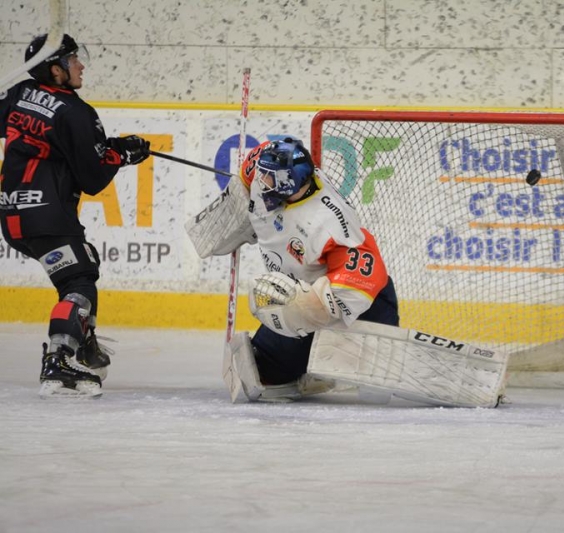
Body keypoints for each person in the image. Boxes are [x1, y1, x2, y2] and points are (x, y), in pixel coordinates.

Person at [191, 136, 400, 402]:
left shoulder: (330, 224)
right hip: (302, 288)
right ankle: (307, 365)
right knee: (266, 374)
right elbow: (253, 170)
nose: (260, 180)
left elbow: (363, 282)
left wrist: (302, 308)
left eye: (269, 178)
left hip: (363, 306)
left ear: (289, 182)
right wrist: (233, 211)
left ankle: (338, 359)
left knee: (368, 374)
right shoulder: (263, 171)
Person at [0, 34, 151, 398]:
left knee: (84, 261)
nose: (81, 65)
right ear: (56, 70)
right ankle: (60, 357)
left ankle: (83, 344)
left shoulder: (19, 92)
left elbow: (53, 142)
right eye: (72, 61)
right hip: (46, 214)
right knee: (79, 281)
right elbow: (94, 177)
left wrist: (108, 147)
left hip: (12, 215)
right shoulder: (76, 111)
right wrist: (123, 154)